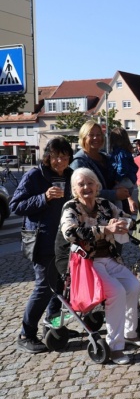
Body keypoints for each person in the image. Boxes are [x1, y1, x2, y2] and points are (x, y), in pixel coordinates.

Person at [55, 168, 140, 365]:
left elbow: (129, 221)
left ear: (97, 186)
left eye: (90, 183)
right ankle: (115, 347)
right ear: (74, 189)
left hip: (110, 259)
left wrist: (122, 223)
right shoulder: (70, 208)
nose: (86, 187)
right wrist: (106, 229)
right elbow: (70, 233)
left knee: (133, 285)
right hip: (87, 263)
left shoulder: (105, 204)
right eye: (81, 184)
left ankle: (129, 332)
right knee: (116, 292)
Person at [11, 138, 73, 353]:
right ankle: (26, 334)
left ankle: (53, 327)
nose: (60, 160)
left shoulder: (70, 175)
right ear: (48, 156)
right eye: (56, 156)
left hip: (64, 242)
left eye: (64, 156)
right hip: (42, 241)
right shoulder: (35, 175)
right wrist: (43, 197)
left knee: (60, 288)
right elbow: (16, 205)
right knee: (44, 288)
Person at [70, 120, 131, 207]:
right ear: (83, 138)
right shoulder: (78, 162)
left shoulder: (106, 158)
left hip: (113, 209)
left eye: (98, 135)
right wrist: (114, 194)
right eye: (91, 135)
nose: (96, 138)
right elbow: (83, 191)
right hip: (93, 212)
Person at [109, 127, 139, 214]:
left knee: (115, 194)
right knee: (123, 197)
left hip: (124, 179)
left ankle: (119, 213)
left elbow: (122, 167)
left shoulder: (120, 152)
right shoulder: (126, 151)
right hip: (130, 180)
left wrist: (117, 179)